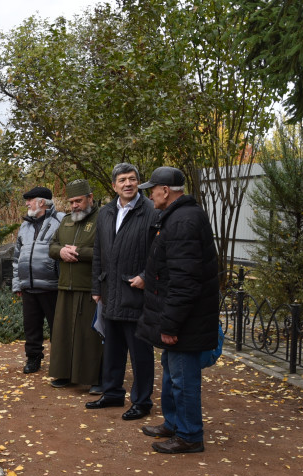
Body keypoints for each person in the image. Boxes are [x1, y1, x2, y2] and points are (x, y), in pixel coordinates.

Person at [135, 167, 220, 453]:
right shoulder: (176, 217)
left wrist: (171, 325)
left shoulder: (184, 221)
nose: (149, 194)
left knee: (184, 379)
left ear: (165, 191)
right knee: (172, 373)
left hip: (187, 321)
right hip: (181, 317)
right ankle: (174, 424)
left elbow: (185, 281)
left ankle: (190, 436)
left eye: (152, 189)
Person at [91, 163, 159, 420]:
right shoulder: (106, 212)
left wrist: (146, 277)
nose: (128, 184)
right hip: (110, 292)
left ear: (139, 183)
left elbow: (159, 251)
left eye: (132, 179)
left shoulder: (151, 211)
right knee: (113, 348)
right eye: (122, 180)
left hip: (137, 293)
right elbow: (99, 251)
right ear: (114, 185)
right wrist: (96, 287)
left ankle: (142, 402)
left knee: (140, 352)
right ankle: (112, 393)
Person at [48, 180, 103, 392]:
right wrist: (61, 252)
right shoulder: (66, 221)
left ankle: (95, 379)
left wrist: (78, 252)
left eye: (78, 201)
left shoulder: (102, 219)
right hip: (65, 286)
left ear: (90, 198)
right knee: (64, 334)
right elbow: (52, 246)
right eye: (71, 202)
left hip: (90, 287)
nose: (74, 206)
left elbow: (105, 251)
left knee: (90, 337)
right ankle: (64, 374)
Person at [12, 186, 64, 374]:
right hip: (29, 286)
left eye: (30, 200)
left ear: (42, 202)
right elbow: (17, 256)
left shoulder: (60, 221)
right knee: (31, 327)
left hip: (52, 286)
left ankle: (62, 363)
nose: (27, 203)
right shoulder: (25, 225)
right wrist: (18, 283)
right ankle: (33, 359)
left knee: (57, 328)